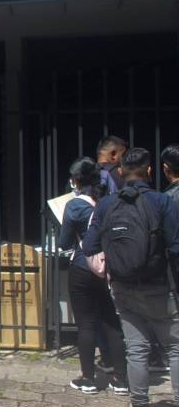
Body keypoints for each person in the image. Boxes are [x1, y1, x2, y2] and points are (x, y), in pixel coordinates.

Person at [83, 147, 179, 407]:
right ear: (150, 171)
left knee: (137, 349)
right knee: (175, 348)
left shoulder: (106, 205)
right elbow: (175, 247)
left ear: (121, 172)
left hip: (122, 287)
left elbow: (89, 246)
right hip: (160, 287)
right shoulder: (162, 201)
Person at [56, 157, 128, 394]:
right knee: (111, 321)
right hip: (109, 268)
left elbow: (65, 242)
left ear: (76, 180)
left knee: (86, 323)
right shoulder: (110, 201)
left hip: (83, 266)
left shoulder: (75, 205)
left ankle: (88, 378)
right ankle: (120, 378)